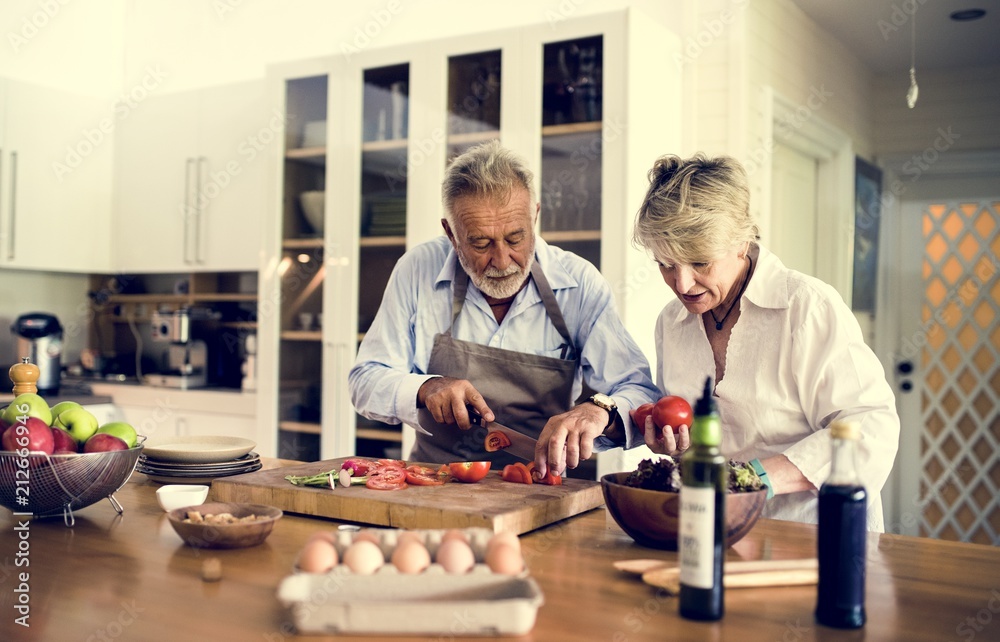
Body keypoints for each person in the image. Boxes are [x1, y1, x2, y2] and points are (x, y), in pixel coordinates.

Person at [349, 140, 660, 476]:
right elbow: (365, 380)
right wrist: (426, 388)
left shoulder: (579, 283)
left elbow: (638, 391)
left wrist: (599, 410)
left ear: (535, 216)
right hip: (434, 481)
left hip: (538, 487)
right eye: (480, 242)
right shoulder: (417, 270)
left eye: (515, 239)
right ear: (451, 234)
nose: (501, 260)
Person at [631, 153, 899, 531]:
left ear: (742, 242)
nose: (682, 284)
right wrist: (676, 449)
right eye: (666, 265)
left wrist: (759, 478)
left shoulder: (805, 307)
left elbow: (871, 426)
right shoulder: (671, 322)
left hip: (815, 535)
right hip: (714, 530)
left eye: (700, 262)